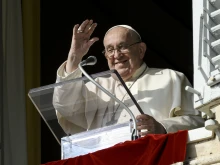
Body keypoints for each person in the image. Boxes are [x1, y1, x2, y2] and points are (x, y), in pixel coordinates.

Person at [53, 19, 204, 136]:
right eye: (110, 50)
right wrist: (74, 58)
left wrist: (162, 127)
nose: (116, 55)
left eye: (122, 47)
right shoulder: (95, 85)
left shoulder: (171, 78)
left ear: (140, 50)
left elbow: (198, 122)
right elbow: (66, 108)